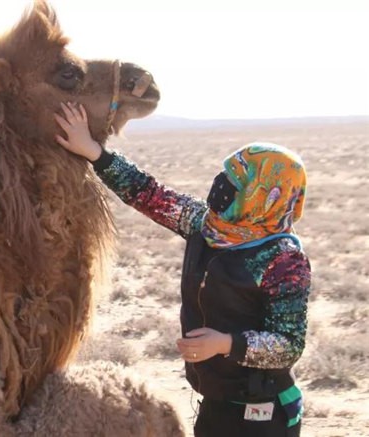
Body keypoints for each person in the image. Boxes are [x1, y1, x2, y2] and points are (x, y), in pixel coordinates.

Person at [54, 102, 310, 437]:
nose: (221, 185)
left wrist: (226, 343)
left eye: (236, 182)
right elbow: (149, 194)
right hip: (216, 402)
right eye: (225, 175)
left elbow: (289, 343)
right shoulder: (207, 225)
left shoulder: (284, 260)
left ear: (262, 197)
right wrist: (94, 152)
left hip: (264, 413)